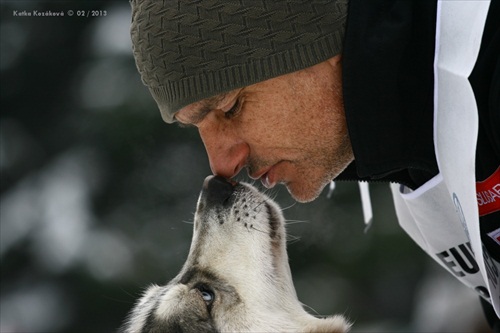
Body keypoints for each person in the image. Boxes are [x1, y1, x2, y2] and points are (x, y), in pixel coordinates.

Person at [129, 0, 500, 329]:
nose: (221, 166)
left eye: (232, 107)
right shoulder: (418, 141)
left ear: (311, 45)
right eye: (196, 127)